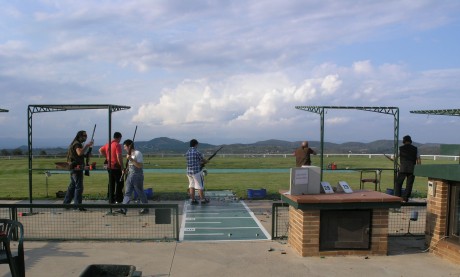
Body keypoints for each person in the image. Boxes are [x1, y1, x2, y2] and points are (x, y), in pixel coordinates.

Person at [115, 139, 149, 215]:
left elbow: (139, 165)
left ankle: (146, 208)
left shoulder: (138, 153)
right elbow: (130, 166)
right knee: (127, 193)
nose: (124, 148)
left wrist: (131, 159)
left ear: (129, 146)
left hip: (137, 175)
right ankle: (123, 209)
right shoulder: (129, 154)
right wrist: (125, 170)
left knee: (140, 192)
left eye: (125, 146)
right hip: (130, 175)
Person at [63, 130, 94, 211]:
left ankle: (66, 204)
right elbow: (79, 153)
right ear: (79, 136)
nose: (86, 137)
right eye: (84, 136)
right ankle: (77, 205)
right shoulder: (77, 144)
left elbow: (80, 155)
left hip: (73, 168)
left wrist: (87, 154)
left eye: (86, 136)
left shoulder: (76, 143)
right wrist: (87, 145)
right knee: (78, 187)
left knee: (72, 186)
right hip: (76, 168)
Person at [99, 132, 124, 204]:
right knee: (119, 183)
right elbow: (119, 156)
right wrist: (122, 167)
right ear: (119, 137)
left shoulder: (108, 144)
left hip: (109, 166)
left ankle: (110, 199)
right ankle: (118, 199)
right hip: (116, 167)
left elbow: (100, 150)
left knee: (111, 183)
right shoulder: (117, 145)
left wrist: (107, 157)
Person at [395, 135, 421, 202]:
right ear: (410, 141)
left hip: (403, 168)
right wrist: (418, 168)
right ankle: (405, 198)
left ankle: (398, 198)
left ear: (404, 141)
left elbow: (395, 157)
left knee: (398, 183)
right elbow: (418, 159)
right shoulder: (415, 148)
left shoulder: (400, 148)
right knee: (409, 184)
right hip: (412, 168)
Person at [186, 139, 208, 205]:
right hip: (196, 172)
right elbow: (203, 160)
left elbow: (194, 161)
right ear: (195, 144)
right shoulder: (197, 152)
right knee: (200, 186)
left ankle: (193, 200)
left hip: (188, 172)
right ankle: (203, 200)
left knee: (191, 186)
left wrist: (200, 163)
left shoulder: (188, 152)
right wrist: (206, 161)